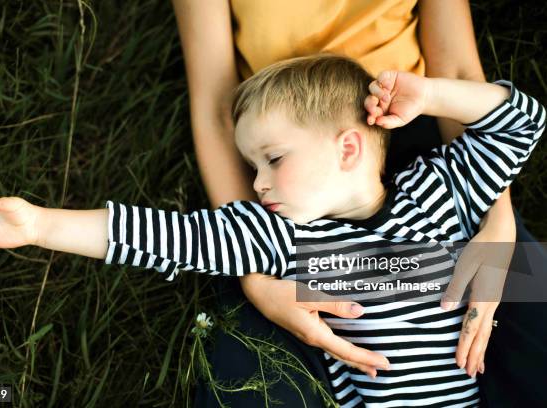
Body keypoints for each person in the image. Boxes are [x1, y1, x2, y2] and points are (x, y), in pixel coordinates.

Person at [0, 54, 545, 406]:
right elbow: (158, 236)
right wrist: (41, 225)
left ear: (350, 147)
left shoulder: (444, 192)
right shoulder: (279, 237)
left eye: (272, 160)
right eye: (253, 166)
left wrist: (432, 93)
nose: (255, 183)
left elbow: (523, 122)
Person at [172, 1, 546, 406]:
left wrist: (496, 218)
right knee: (251, 383)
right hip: (285, 162)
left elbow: (456, 69)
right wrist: (256, 278)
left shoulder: (443, 186)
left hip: (408, 135)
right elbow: (217, 110)